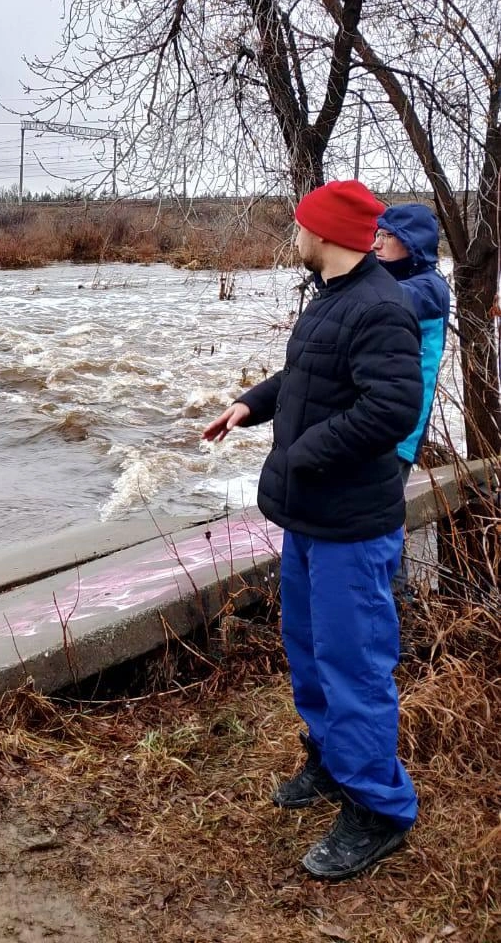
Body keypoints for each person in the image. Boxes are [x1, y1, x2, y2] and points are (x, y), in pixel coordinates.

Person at [203, 180, 423, 881]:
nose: (293, 235)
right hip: (310, 519)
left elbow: (390, 409)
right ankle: (331, 764)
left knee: (354, 668)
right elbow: (306, 376)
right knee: (309, 652)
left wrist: (304, 454)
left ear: (321, 233)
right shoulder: (333, 297)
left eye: (298, 225)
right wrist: (250, 405)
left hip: (349, 527)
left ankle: (379, 810)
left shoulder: (379, 307)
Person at [372, 204, 451, 483]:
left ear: (412, 241)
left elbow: (383, 300)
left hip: (400, 429)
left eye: (386, 236)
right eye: (376, 234)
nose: (376, 244)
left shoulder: (429, 288)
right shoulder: (394, 279)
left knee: (380, 517)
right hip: (379, 420)